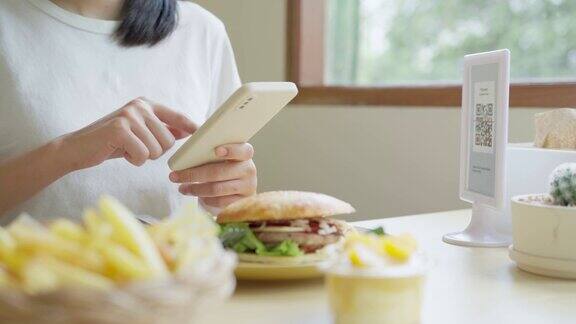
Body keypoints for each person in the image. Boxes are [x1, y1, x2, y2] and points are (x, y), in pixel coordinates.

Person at [0, 0, 257, 222]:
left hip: (177, 275)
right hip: (32, 275)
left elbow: (219, 208)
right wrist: (67, 151)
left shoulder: (203, 32)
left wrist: (228, 196)